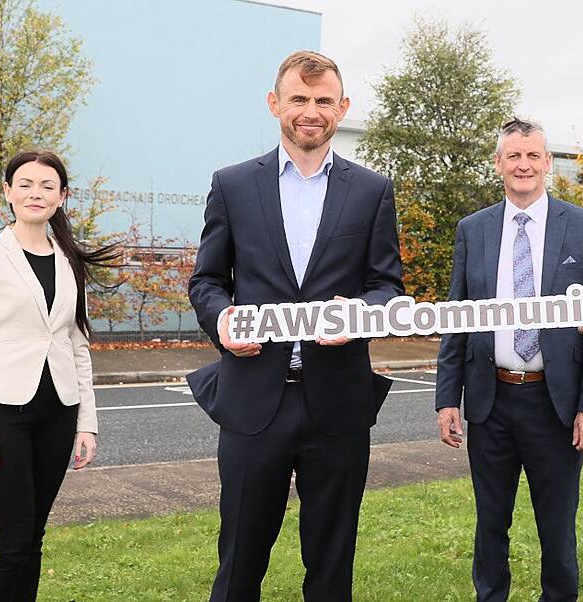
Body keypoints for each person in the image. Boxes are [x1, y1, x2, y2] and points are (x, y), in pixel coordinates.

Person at [187, 50, 403, 602]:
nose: (312, 110)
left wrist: (360, 316)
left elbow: (387, 286)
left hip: (338, 404)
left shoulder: (372, 190)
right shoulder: (233, 184)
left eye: (324, 101)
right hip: (255, 397)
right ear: (274, 103)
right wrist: (222, 319)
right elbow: (207, 281)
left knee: (332, 566)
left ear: (342, 107)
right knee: (239, 561)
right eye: (300, 99)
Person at [434, 117, 583, 602]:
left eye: (533, 155)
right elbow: (457, 318)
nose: (523, 165)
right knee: (489, 524)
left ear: (547, 164)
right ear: (498, 163)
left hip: (554, 406)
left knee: (557, 529)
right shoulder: (472, 230)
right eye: (513, 155)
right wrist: (446, 398)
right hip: (490, 402)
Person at [0, 150, 118, 601]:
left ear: (62, 197)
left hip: (57, 413)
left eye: (47, 186)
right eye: (25, 184)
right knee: (12, 541)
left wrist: (87, 422)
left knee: (34, 538)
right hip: (3, 414)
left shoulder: (69, 260)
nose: (35, 193)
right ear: (7, 192)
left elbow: (76, 344)